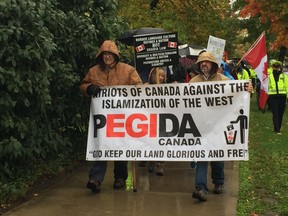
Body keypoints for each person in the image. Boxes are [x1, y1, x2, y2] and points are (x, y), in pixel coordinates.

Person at [79, 40, 143, 193]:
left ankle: (120, 177)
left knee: (120, 147)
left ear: (115, 55)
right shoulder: (93, 71)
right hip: (103, 118)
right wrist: (89, 88)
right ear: (101, 55)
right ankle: (95, 179)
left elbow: (139, 88)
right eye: (104, 54)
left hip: (123, 117)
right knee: (101, 145)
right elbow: (82, 85)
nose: (107, 57)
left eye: (110, 54)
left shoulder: (128, 70)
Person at [189, 52, 253, 202]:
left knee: (217, 155)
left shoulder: (224, 80)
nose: (204, 64)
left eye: (207, 62)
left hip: (219, 125)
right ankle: (200, 188)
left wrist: (246, 89)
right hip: (201, 126)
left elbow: (238, 92)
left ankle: (218, 182)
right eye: (201, 62)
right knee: (202, 156)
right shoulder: (193, 82)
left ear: (213, 65)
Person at [146, 67, 166, 176]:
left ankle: (160, 164)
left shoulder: (167, 89)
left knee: (161, 143)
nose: (161, 78)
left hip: (162, 120)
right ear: (153, 76)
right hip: (149, 120)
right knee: (151, 142)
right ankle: (152, 160)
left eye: (163, 75)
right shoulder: (145, 87)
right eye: (159, 75)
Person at [267, 60, 288, 134]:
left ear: (279, 67)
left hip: (282, 96)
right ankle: (276, 129)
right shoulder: (269, 76)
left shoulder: (284, 76)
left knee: (280, 113)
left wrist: (287, 97)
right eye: (274, 66)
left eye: (277, 66)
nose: (276, 68)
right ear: (272, 67)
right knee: (275, 113)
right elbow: (268, 86)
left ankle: (278, 127)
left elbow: (287, 87)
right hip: (273, 97)